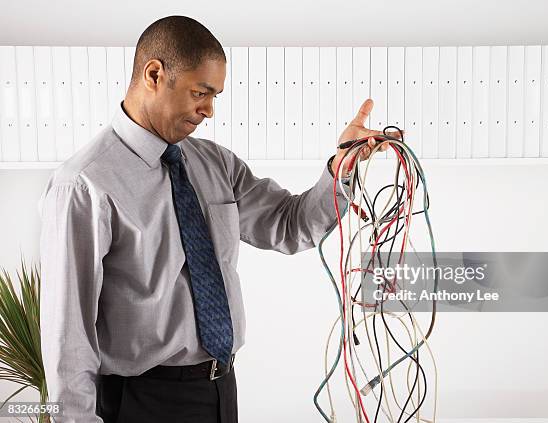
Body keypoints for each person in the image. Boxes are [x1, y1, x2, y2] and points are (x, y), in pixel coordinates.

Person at [38, 15, 397, 423]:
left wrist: (341, 167)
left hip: (221, 390)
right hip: (141, 402)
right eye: (200, 92)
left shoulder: (214, 163)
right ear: (154, 74)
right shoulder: (83, 184)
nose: (208, 110)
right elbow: (68, 335)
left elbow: (290, 225)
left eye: (215, 96)